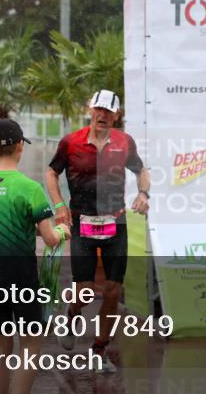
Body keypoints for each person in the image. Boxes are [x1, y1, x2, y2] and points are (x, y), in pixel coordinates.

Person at [46, 90, 150, 374]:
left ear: (117, 115)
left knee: (114, 291)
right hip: (82, 222)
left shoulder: (124, 142)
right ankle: (71, 314)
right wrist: (58, 204)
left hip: (116, 222)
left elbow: (141, 170)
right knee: (84, 292)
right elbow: (51, 173)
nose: (102, 115)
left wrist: (143, 194)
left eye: (109, 111)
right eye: (98, 109)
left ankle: (99, 349)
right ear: (89, 109)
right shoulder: (71, 142)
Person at [0, 118, 69, 394]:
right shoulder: (31, 189)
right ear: (18, 147)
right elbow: (50, 237)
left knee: (1, 344)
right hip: (23, 277)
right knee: (30, 342)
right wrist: (64, 231)